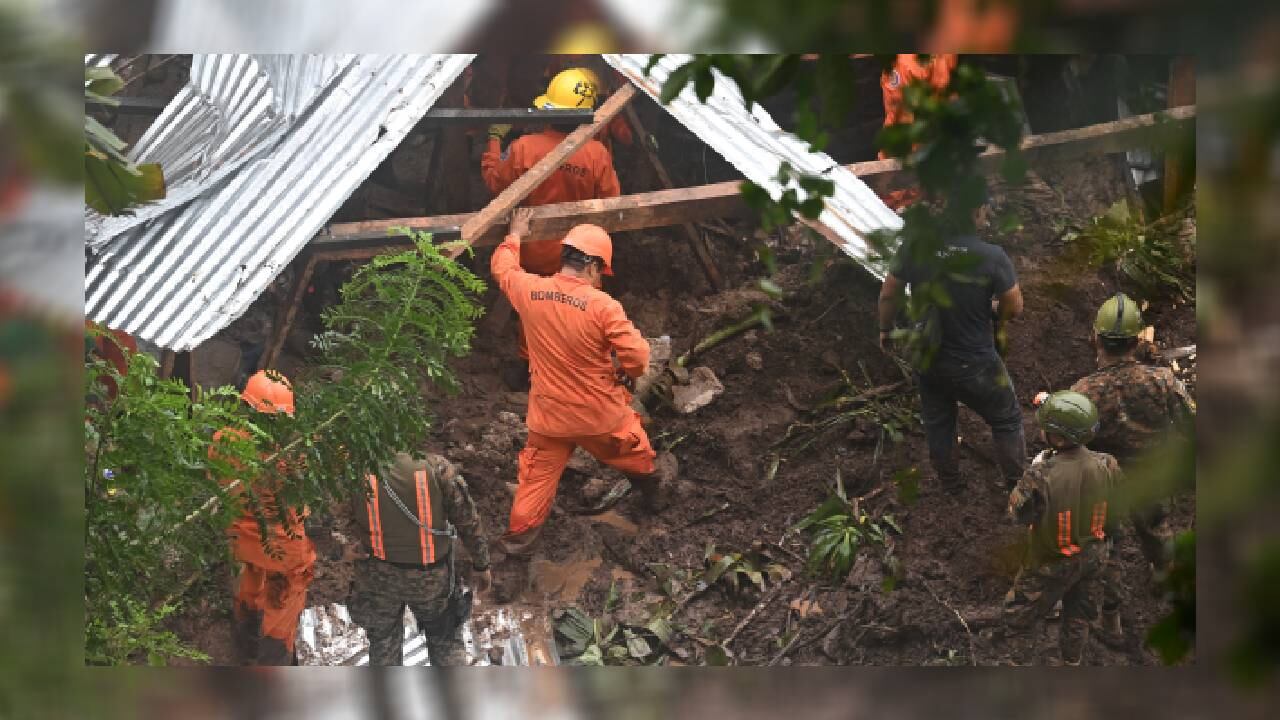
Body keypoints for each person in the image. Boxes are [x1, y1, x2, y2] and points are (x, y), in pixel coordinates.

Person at [490, 208, 678, 598]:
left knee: (533, 490)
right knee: (637, 454)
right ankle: (653, 495)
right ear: (592, 265)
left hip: (549, 419)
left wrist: (514, 235)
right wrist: (623, 369)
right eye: (600, 271)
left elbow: (502, 267)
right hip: (600, 418)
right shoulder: (602, 307)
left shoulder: (530, 291)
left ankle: (511, 568)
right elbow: (639, 359)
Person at [481, 67, 623, 390]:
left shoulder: (523, 148)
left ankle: (530, 369)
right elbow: (612, 202)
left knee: (534, 309)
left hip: (534, 253)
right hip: (581, 255)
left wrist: (493, 141)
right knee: (583, 309)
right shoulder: (598, 154)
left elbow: (495, 184)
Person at [1069, 292, 1196, 645]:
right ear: (1138, 341)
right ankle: (1167, 585)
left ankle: (1111, 621)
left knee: (1106, 546)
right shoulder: (1163, 381)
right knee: (1157, 529)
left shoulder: (1084, 392)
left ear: (1095, 338)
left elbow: (1070, 444)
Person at [877, 199, 1027, 493]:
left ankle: (951, 485)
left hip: (929, 358)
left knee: (939, 421)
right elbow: (1015, 305)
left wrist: (885, 330)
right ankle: (1017, 487)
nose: (986, 214)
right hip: (976, 362)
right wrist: (996, 311)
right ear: (974, 211)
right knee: (1007, 419)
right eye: (984, 208)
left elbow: (888, 293)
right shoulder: (992, 256)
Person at [335, 452, 491, 666]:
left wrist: (339, 550)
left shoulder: (353, 470)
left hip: (377, 579)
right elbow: (468, 522)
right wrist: (481, 564)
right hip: (430, 580)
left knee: (383, 643)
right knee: (445, 638)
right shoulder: (436, 469)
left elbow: (318, 520)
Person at [1003, 391, 1120, 666]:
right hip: (1094, 555)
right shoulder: (1107, 463)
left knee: (1018, 616)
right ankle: (1071, 663)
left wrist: (1034, 472)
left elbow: (1017, 515)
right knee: (1079, 616)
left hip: (1050, 561)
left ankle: (1018, 663)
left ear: (1056, 437)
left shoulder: (1040, 473)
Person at [209, 370, 316, 665]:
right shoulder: (295, 455)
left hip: (241, 544)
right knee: (280, 615)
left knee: (247, 599)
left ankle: (245, 648)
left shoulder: (223, 441)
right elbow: (306, 500)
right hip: (284, 553)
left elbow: (215, 485)